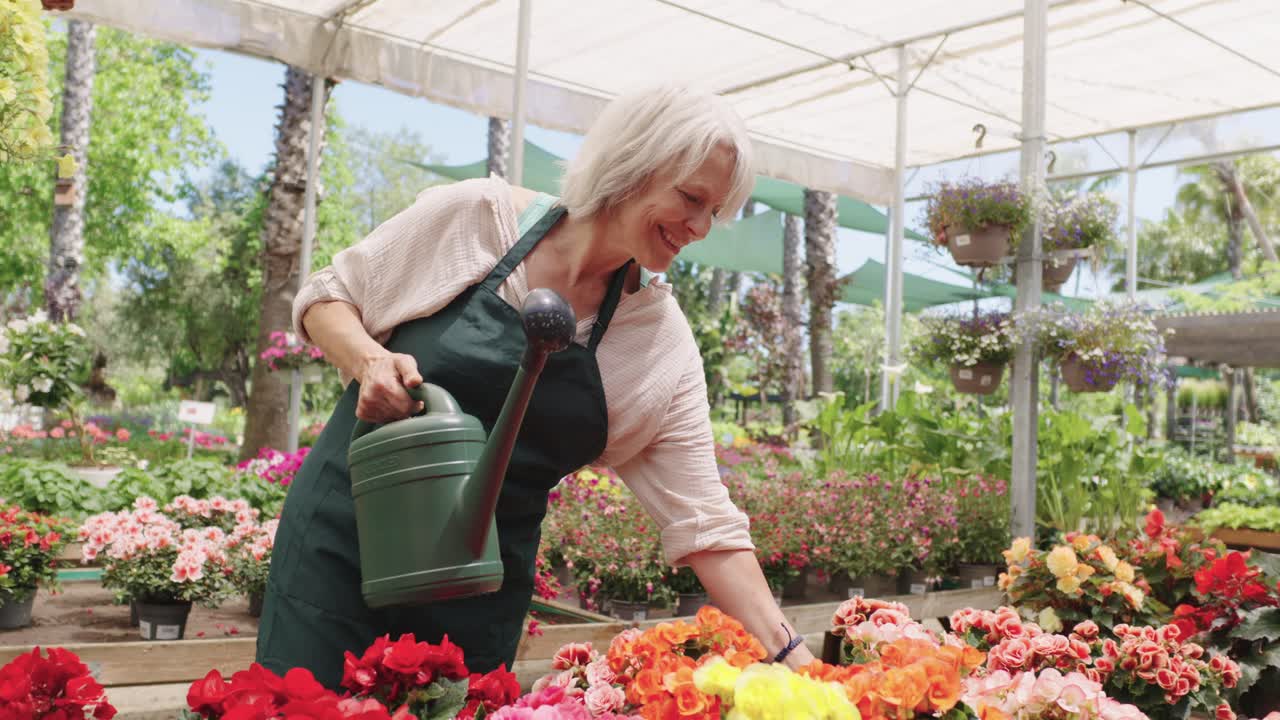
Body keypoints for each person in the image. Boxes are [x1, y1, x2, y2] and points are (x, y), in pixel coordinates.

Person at [255, 84, 815, 688]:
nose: (701, 227)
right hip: (343, 548)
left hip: (476, 590)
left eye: (715, 212)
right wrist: (368, 359)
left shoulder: (655, 343)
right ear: (632, 164)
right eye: (691, 198)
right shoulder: (478, 219)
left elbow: (709, 527)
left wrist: (799, 663)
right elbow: (328, 296)